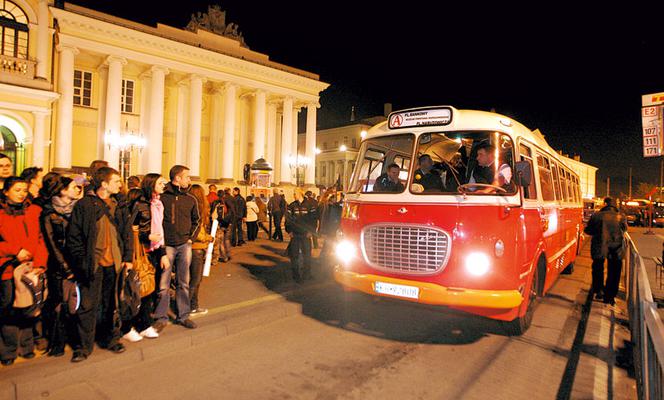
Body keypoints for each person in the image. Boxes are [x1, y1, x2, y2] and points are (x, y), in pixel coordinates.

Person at [67, 167, 133, 362]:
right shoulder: (85, 205)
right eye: (116, 181)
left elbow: (127, 235)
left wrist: (128, 258)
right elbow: (74, 237)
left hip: (115, 263)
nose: (120, 185)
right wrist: (80, 262)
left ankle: (111, 338)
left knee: (111, 304)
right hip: (92, 264)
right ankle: (83, 346)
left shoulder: (119, 205)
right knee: (87, 306)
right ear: (104, 184)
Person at [0, 176, 48, 366]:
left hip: (31, 267)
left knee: (29, 304)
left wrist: (40, 263)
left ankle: (26, 345)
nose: (21, 194)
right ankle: (8, 349)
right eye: (17, 190)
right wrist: (14, 251)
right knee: (9, 308)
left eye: (24, 190)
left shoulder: (34, 210)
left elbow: (41, 239)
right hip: (8, 267)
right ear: (6, 191)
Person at [40, 175, 80, 357]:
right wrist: (65, 267)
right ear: (62, 190)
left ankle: (74, 338)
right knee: (59, 302)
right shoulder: (49, 213)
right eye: (73, 187)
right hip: (59, 264)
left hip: (77, 261)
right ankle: (57, 342)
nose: (77, 189)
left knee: (75, 301)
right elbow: (52, 243)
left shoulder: (77, 210)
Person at [156, 165, 200, 330]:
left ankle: (183, 316)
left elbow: (197, 220)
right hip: (167, 245)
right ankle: (161, 317)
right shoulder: (163, 198)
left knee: (184, 282)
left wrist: (191, 238)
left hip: (184, 244)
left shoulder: (190, 199)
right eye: (187, 177)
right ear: (177, 178)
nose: (189, 180)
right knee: (163, 283)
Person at [129, 173, 169, 339]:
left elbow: (160, 230)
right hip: (140, 253)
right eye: (160, 183)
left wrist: (163, 254)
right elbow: (130, 229)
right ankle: (132, 325)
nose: (163, 185)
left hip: (155, 251)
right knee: (138, 289)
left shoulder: (158, 204)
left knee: (150, 289)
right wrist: (147, 237)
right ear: (151, 184)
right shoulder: (140, 205)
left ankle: (144, 323)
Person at [584, 197, 628, 305]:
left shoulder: (596, 216)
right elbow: (625, 229)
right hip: (616, 248)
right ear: (615, 205)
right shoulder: (621, 216)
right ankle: (610, 296)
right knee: (614, 271)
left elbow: (588, 230)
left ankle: (599, 290)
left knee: (598, 268)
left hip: (599, 246)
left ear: (604, 204)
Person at [188, 185, 213, 316]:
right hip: (197, 248)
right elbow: (197, 232)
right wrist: (207, 238)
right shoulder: (197, 209)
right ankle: (188, 307)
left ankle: (193, 305)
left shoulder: (192, 206)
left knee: (194, 279)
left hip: (194, 248)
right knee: (195, 280)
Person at [285, 189, 317, 283]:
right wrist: (289, 231)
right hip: (295, 234)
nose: (293, 195)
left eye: (295, 193)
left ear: (300, 194)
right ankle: (296, 276)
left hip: (306, 234)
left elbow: (313, 219)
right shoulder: (292, 206)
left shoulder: (310, 205)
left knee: (307, 255)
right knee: (294, 256)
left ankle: (307, 274)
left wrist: (311, 231)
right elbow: (288, 219)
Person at [212, 189, 233, 263]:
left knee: (220, 242)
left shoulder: (216, 202)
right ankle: (228, 254)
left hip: (220, 224)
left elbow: (213, 214)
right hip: (228, 223)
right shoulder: (229, 202)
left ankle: (224, 257)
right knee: (227, 240)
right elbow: (232, 212)